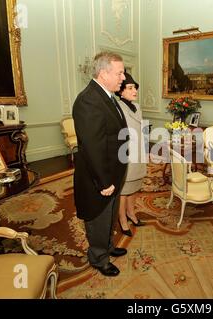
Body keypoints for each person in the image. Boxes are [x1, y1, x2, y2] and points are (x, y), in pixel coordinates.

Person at [72, 51, 128, 277]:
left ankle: (108, 246)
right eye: (120, 73)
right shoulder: (89, 100)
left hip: (113, 172)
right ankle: (98, 257)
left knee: (110, 215)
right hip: (99, 178)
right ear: (104, 73)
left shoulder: (107, 96)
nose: (123, 77)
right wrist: (104, 181)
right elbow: (93, 147)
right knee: (98, 217)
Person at [115, 71, 147, 237]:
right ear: (121, 91)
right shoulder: (117, 107)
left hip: (139, 153)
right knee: (124, 190)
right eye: (130, 87)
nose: (134, 90)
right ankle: (122, 219)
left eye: (135, 87)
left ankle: (131, 213)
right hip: (126, 155)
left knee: (134, 188)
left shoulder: (138, 106)